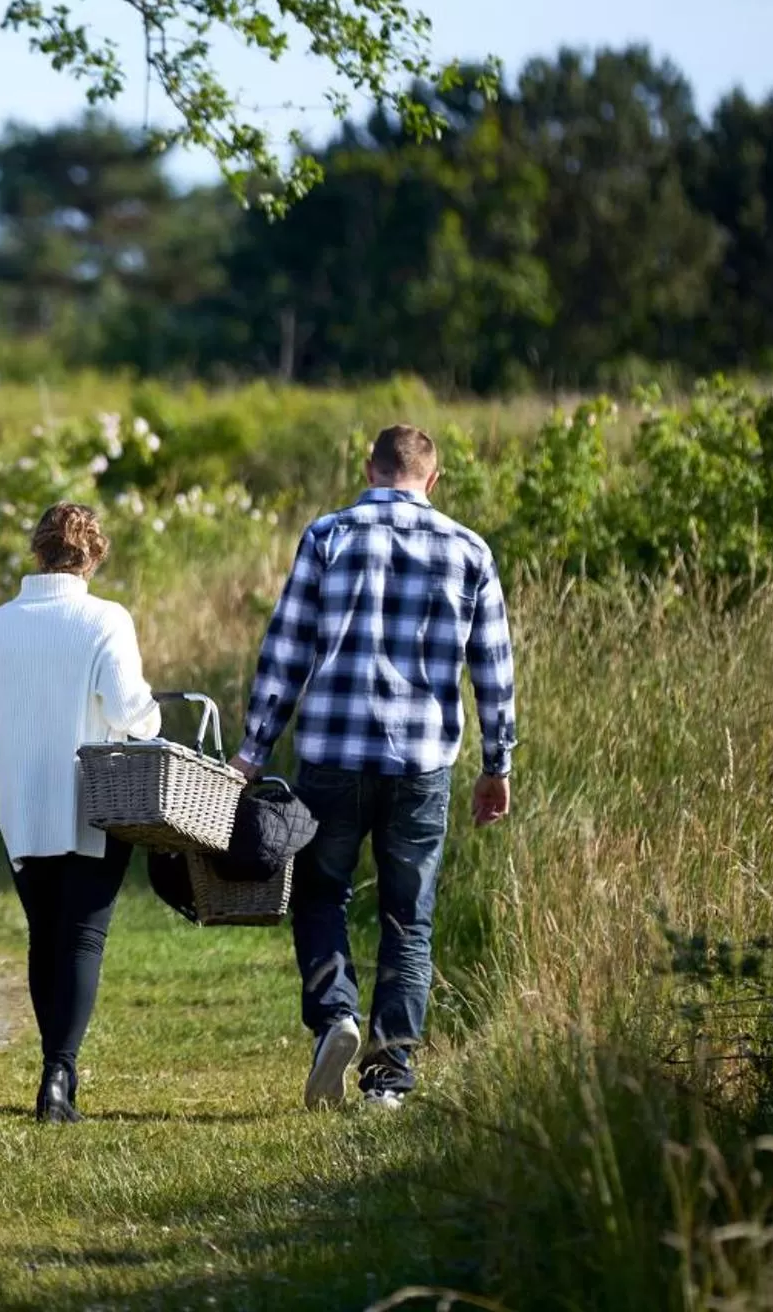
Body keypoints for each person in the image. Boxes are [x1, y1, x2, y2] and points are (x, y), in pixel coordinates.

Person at [233, 424, 517, 1113]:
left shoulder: (328, 536)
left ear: (369, 469)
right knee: (408, 918)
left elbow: (287, 649)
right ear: (434, 479)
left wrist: (252, 749)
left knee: (321, 893)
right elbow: (494, 669)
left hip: (331, 752)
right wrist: (497, 763)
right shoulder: (469, 549)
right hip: (421, 764)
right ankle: (388, 1078)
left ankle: (336, 1018)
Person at [0, 502, 161, 1124]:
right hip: (93, 800)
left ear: (37, 551)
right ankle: (59, 1072)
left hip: (23, 800)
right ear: (93, 555)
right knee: (82, 937)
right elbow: (130, 708)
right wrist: (154, 722)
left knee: (45, 936)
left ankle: (53, 1069)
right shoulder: (104, 618)